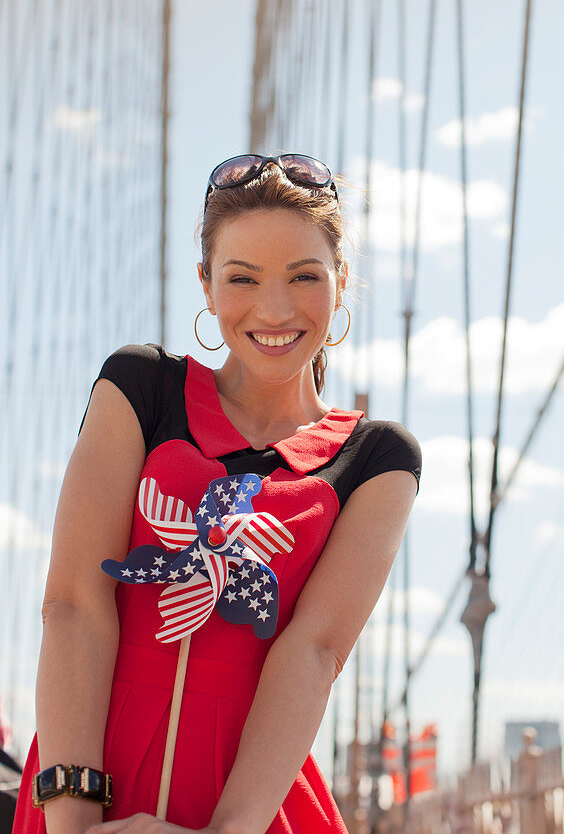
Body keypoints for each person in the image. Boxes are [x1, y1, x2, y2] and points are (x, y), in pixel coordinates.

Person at [13, 154, 421, 834]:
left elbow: (313, 652)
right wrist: (74, 821)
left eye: (304, 277)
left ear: (341, 281)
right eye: (242, 278)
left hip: (252, 805)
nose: (275, 308)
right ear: (205, 284)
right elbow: (75, 601)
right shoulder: (138, 387)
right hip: (82, 781)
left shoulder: (376, 458)